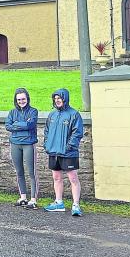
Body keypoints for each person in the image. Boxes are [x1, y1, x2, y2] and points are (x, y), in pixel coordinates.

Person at [44, 88, 85, 217]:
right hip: (54, 152)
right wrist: (47, 144)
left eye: (59, 98)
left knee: (73, 178)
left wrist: (68, 147)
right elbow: (46, 131)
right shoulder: (52, 115)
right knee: (56, 177)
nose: (57, 101)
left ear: (65, 99)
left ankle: (76, 205)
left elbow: (77, 133)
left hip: (68, 153)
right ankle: (59, 202)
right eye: (55, 99)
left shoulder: (74, 114)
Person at [5, 88, 40, 209]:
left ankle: (33, 200)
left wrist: (16, 124)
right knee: (19, 171)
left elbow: (31, 125)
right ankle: (23, 197)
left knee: (32, 172)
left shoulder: (33, 111)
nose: (21, 101)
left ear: (27, 99)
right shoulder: (12, 112)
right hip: (15, 143)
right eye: (19, 99)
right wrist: (23, 124)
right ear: (16, 100)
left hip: (28, 143)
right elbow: (8, 126)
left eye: (23, 99)